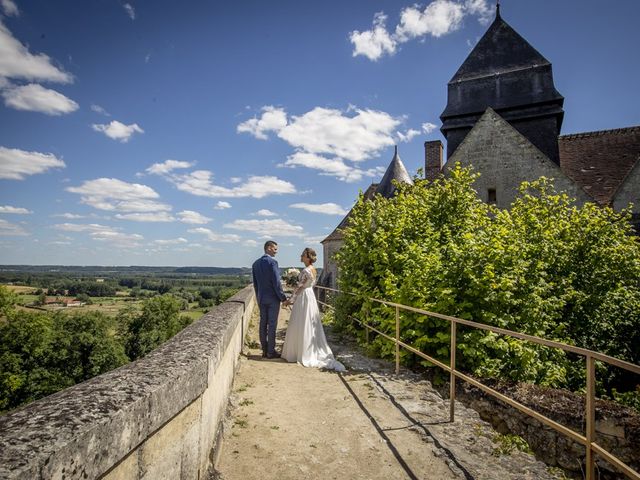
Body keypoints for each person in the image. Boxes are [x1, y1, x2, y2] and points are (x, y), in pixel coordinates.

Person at [281, 247, 345, 372]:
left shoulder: (305, 270)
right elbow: (308, 284)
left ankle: (300, 351)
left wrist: (290, 300)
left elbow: (300, 287)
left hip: (304, 296)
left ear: (308, 257)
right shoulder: (314, 269)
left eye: (303, 255)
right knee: (308, 321)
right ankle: (306, 348)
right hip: (310, 295)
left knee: (301, 321)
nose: (301, 256)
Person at [252, 240, 287, 359]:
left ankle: (264, 350)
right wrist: (283, 298)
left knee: (262, 324)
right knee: (272, 325)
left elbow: (255, 285)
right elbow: (276, 283)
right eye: (275, 249)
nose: (276, 251)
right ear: (268, 248)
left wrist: (258, 297)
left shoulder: (255, 264)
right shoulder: (272, 263)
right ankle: (271, 352)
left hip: (262, 298)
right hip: (272, 299)